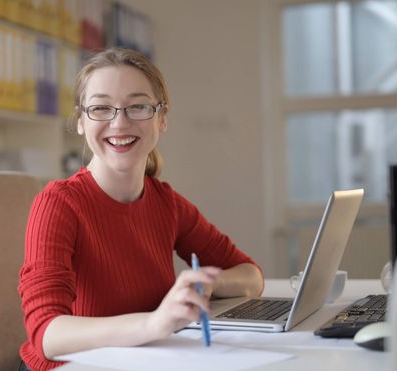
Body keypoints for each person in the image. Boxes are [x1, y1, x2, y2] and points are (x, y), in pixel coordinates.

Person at [17, 47, 264, 371]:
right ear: (80, 121)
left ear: (161, 119)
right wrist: (154, 323)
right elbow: (47, 335)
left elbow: (251, 275)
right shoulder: (58, 204)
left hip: (142, 361)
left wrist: (202, 284)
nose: (119, 122)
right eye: (101, 108)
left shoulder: (166, 203)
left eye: (138, 107)